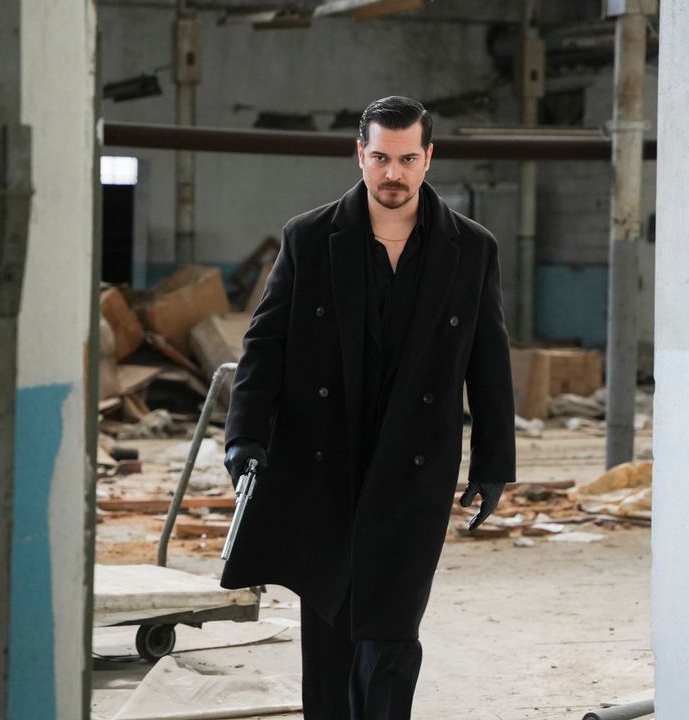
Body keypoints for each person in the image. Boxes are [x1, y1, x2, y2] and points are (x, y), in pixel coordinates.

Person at [219, 95, 516, 719]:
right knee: (331, 619)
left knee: (392, 629)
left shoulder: (472, 248)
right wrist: (244, 437)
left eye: (407, 159)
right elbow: (265, 345)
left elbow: (488, 359)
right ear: (360, 155)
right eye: (381, 158)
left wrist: (494, 462)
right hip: (326, 458)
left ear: (428, 158)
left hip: (415, 465)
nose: (393, 174)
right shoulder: (309, 238)